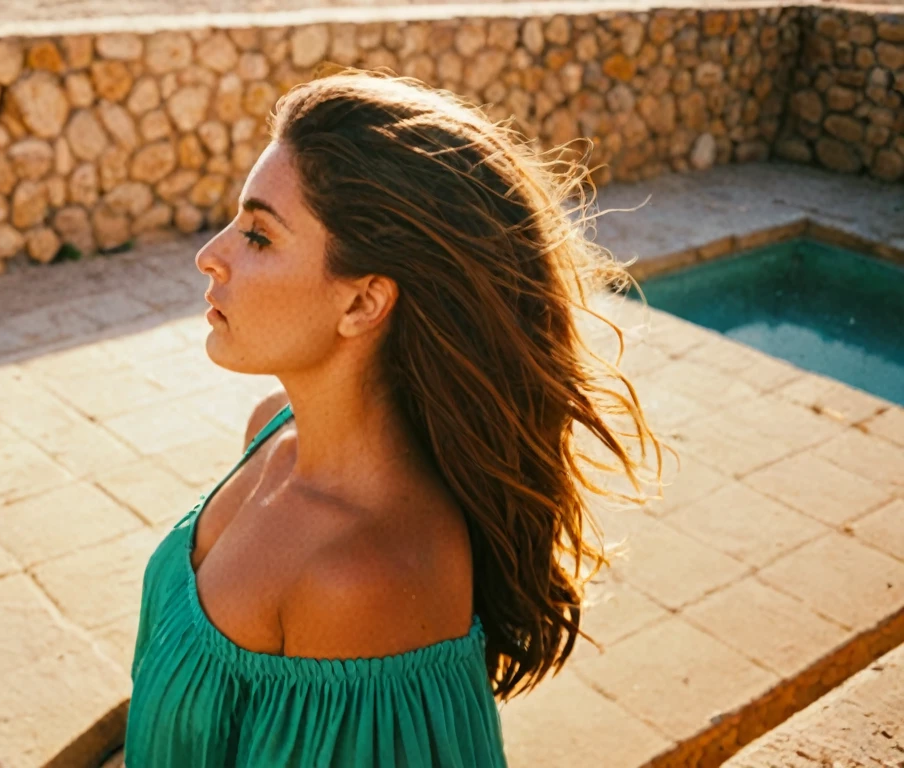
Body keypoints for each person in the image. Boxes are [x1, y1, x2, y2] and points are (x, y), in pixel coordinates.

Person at [123, 68, 659, 767]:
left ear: (362, 304)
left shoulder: (363, 581)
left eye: (257, 236)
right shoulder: (269, 429)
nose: (209, 256)